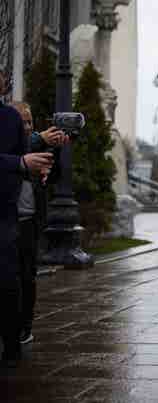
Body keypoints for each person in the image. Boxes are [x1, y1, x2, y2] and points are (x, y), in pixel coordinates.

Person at [0, 69, 53, 367]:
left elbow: (23, 158)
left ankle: (13, 344)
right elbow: (20, 159)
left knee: (11, 281)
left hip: (7, 211)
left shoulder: (9, 118)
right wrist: (21, 162)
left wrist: (37, 169)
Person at [11, 102, 67, 345]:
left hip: (29, 222)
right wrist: (39, 138)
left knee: (27, 277)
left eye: (29, 122)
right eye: (21, 122)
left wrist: (58, 149)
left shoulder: (37, 145)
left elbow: (54, 175)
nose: (25, 126)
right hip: (9, 220)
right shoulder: (14, 147)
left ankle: (25, 327)